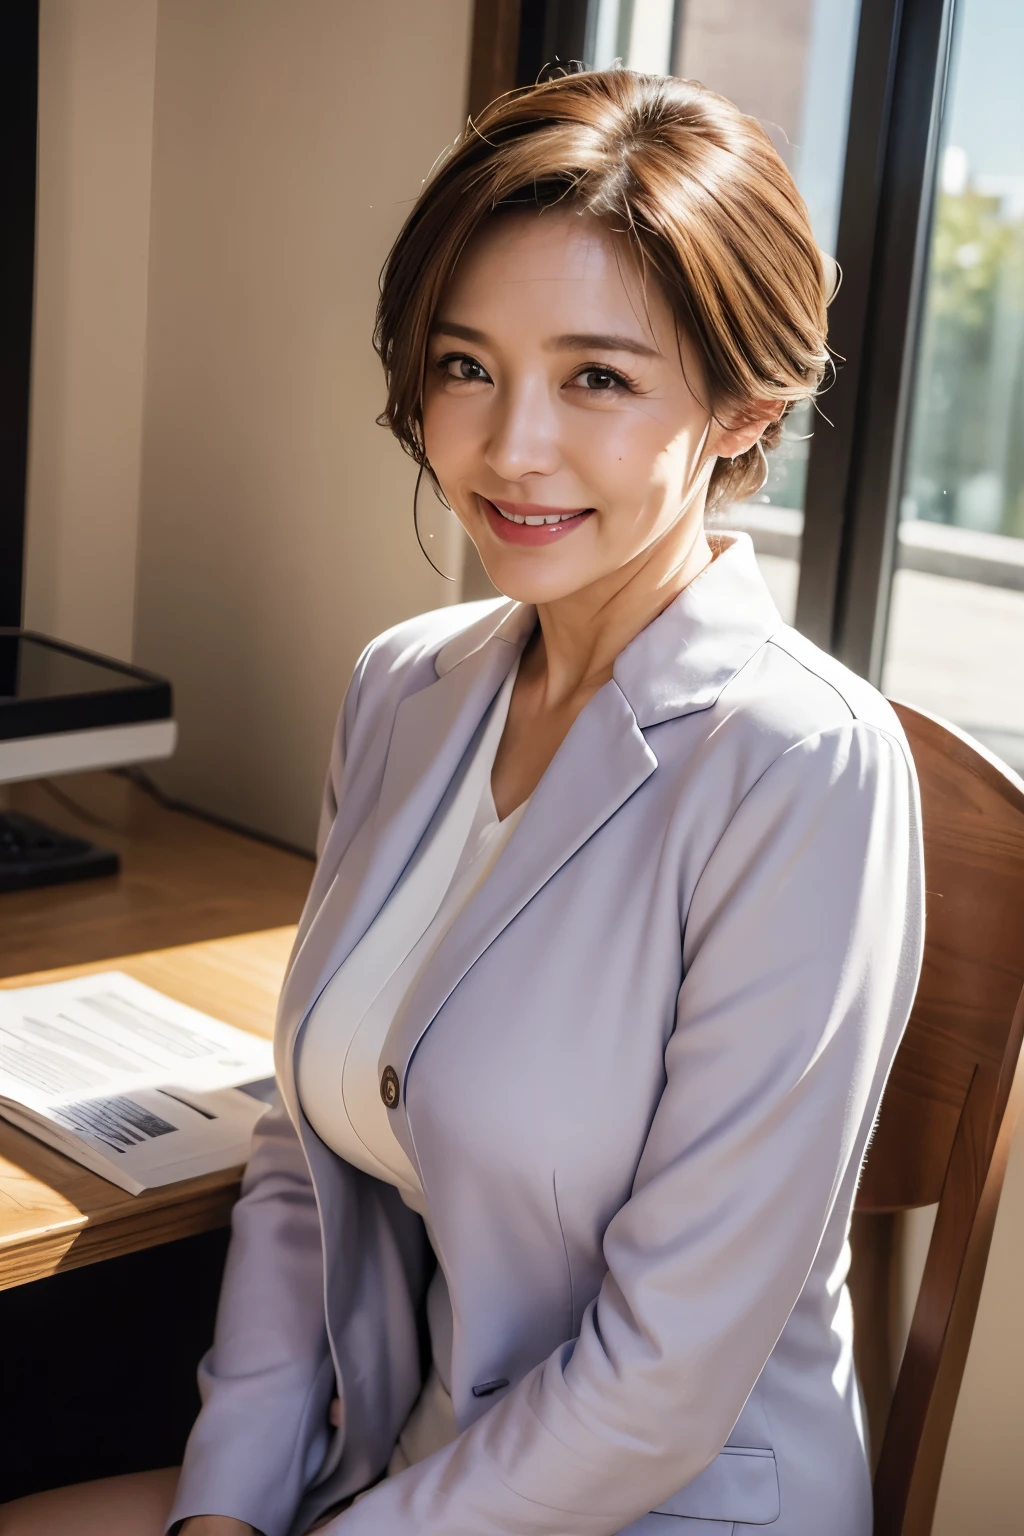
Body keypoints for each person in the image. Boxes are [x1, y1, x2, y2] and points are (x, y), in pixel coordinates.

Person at [0, 68, 924, 1536]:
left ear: (743, 407)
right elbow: (302, 1163)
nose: (509, 449)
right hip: (396, 1464)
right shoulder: (406, 688)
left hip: (660, 1503)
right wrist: (227, 1511)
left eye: (600, 378)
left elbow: (667, 1379)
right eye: (464, 364)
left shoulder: (803, 767)